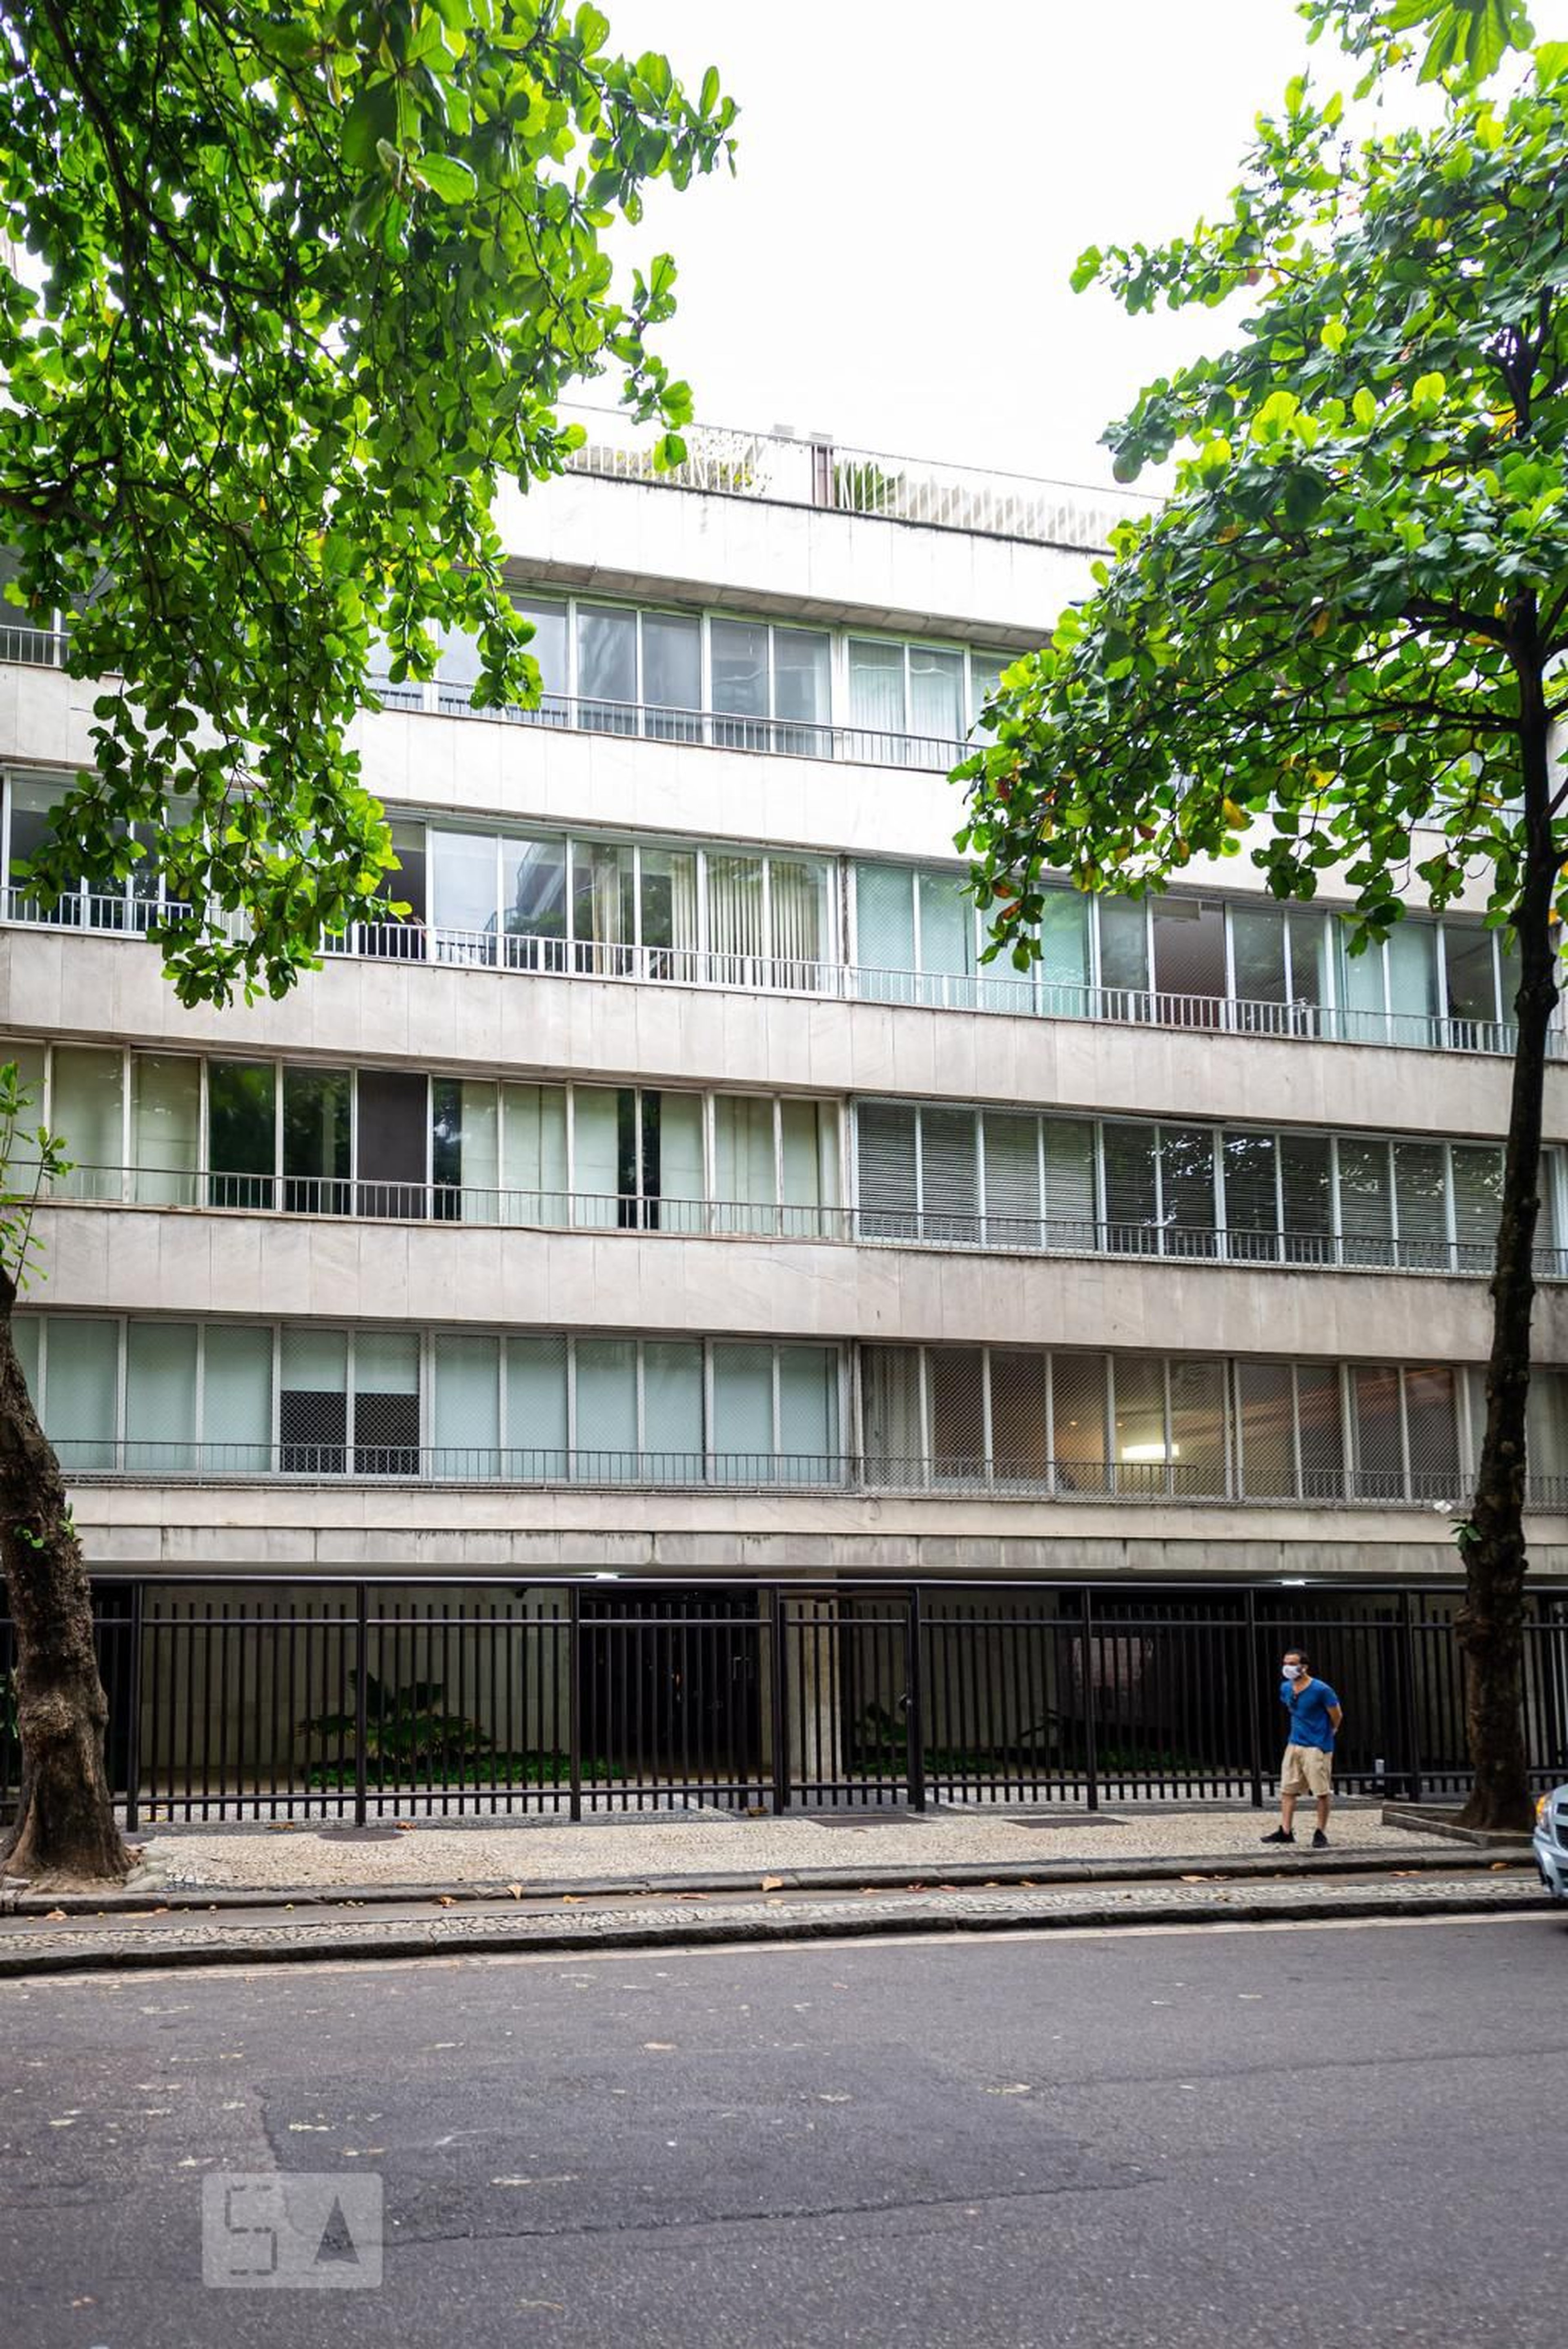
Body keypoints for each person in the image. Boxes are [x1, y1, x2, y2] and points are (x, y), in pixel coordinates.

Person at [1261, 1648, 1343, 1848]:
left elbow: (1337, 1715)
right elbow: (1292, 1709)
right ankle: (1286, 1831)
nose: (1287, 1667)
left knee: (1321, 1791)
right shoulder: (1286, 1688)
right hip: (1295, 1742)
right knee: (1288, 1789)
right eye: (1285, 1663)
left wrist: (1330, 1732)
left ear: (1304, 1667)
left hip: (1317, 1746)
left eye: (1292, 1664)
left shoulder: (1322, 1690)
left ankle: (1320, 1831)